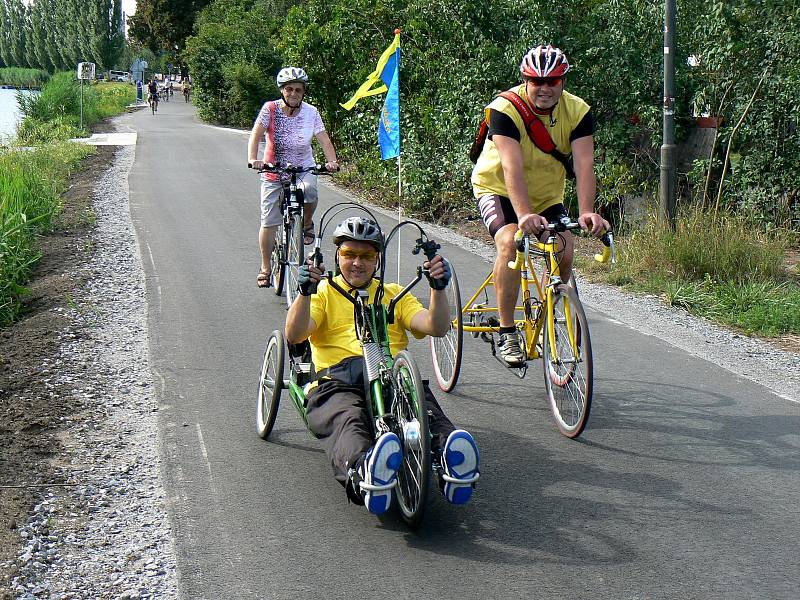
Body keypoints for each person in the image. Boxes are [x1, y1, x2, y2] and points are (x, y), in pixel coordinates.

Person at [284, 216, 480, 515]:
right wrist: (304, 292)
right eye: (349, 255)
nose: (357, 264)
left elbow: (436, 326)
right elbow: (295, 334)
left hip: (391, 375)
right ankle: (364, 468)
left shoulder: (393, 294)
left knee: (423, 407)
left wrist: (438, 289)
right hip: (338, 379)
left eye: (366, 256)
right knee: (347, 418)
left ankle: (451, 456)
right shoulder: (323, 292)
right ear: (338, 257)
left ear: (377, 260)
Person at [471, 44, 609, 366]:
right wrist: (522, 216)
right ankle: (507, 332)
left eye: (553, 82)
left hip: (546, 195)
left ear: (562, 82)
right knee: (510, 243)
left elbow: (584, 164)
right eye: (537, 81)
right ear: (526, 80)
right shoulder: (504, 110)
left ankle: (551, 307)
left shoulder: (578, 112)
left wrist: (587, 210)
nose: (545, 88)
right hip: (498, 188)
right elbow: (511, 167)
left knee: (563, 246)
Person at [247, 67, 340, 288]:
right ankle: (266, 268)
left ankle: (307, 223)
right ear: (282, 91)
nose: (294, 93)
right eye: (289, 89)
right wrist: (253, 158)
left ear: (303, 92)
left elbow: (324, 140)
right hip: (274, 168)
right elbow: (256, 135)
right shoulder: (270, 109)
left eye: (298, 89)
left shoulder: (311, 112)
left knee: (310, 191)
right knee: (269, 221)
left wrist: (332, 161)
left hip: (303, 166)